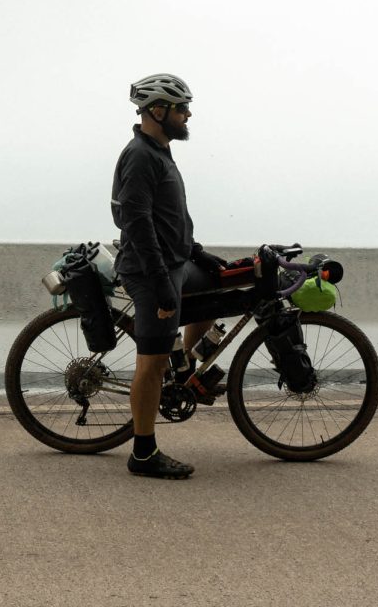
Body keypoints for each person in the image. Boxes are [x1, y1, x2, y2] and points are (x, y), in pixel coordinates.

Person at [110, 74, 229, 479]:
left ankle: (186, 370)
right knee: (152, 362)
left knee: (216, 289)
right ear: (157, 111)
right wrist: (161, 284)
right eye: (182, 108)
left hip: (175, 264)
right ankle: (143, 453)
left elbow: (170, 217)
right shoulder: (140, 156)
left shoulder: (160, 151)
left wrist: (197, 252)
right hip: (149, 271)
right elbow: (138, 224)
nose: (188, 115)